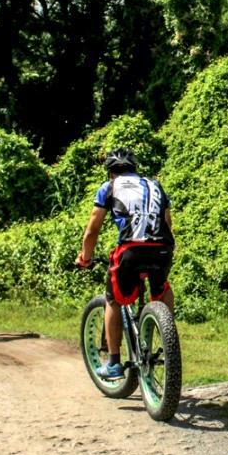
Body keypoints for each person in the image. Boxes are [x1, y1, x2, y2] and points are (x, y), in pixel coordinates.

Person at [75, 148, 174, 381]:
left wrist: (85, 257)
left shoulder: (109, 187)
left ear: (111, 172)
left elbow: (93, 229)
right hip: (163, 249)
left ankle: (114, 363)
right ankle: (169, 338)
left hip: (130, 251)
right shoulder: (155, 185)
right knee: (162, 288)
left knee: (114, 299)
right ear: (135, 169)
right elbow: (167, 223)